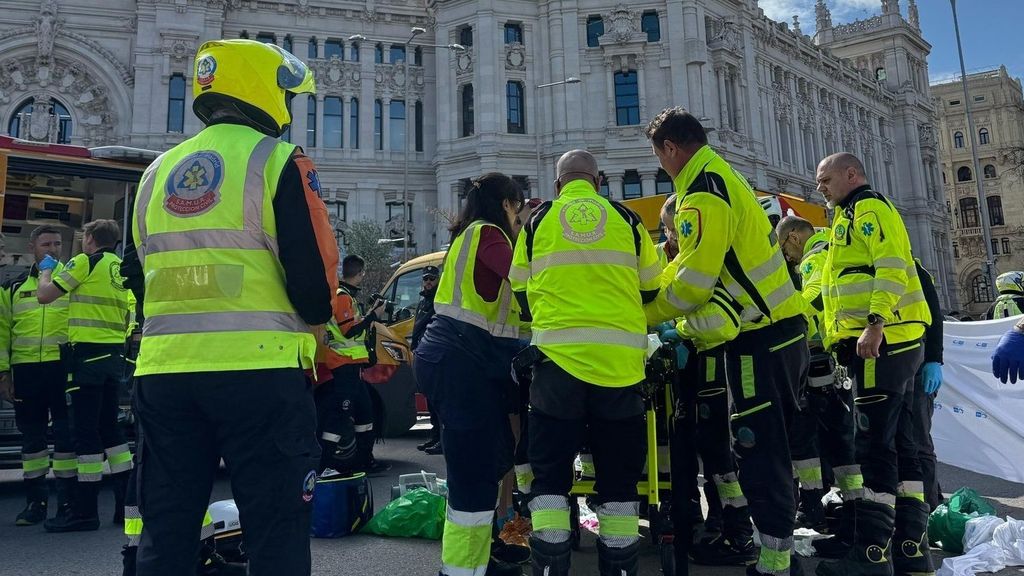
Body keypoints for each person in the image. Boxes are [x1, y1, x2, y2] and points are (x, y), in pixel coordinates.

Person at [126, 39, 338, 576]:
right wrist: (318, 325)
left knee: (167, 527)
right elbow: (314, 282)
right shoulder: (277, 160)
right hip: (259, 372)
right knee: (275, 526)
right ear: (263, 90)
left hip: (164, 373)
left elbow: (137, 270)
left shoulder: (156, 171)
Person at [643, 108, 809, 576]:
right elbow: (695, 270)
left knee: (759, 452)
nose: (661, 166)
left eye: (659, 157)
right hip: (775, 334)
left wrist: (646, 316)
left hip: (761, 340)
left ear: (671, 148)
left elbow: (694, 283)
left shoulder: (701, 192)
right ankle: (776, 558)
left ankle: (775, 566)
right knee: (764, 450)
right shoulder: (721, 176)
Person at [509, 150, 661, 576]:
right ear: (599, 182)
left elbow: (518, 287)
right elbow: (652, 286)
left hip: (557, 369)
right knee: (619, 482)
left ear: (559, 185)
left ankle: (551, 567)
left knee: (550, 480)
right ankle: (620, 568)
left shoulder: (538, 221)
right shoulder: (627, 219)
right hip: (621, 370)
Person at [814, 152, 933, 576]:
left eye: (826, 180)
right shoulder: (848, 216)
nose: (820, 189)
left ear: (852, 174)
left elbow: (891, 267)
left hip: (881, 344)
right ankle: (910, 548)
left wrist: (874, 324)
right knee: (902, 445)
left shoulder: (867, 209)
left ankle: (871, 554)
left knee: (873, 449)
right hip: (895, 342)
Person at [414, 172, 525, 576]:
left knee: (485, 461)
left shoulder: (467, 235)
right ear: (507, 204)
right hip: (462, 361)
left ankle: (476, 560)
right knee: (474, 475)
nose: (518, 220)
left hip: (452, 358)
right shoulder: (490, 235)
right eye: (517, 211)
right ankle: (463, 570)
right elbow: (525, 279)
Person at [657, 194, 754, 566]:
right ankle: (706, 521)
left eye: (675, 228)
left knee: (718, 450)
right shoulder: (682, 258)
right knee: (692, 445)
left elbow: (719, 318)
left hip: (714, 359)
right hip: (694, 363)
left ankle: (735, 531)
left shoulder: (709, 257)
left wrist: (679, 332)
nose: (672, 236)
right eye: (668, 229)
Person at [34, 219, 134, 532]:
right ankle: (126, 506)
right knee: (111, 431)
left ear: (89, 238)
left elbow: (45, 296)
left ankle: (85, 512)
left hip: (87, 357)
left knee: (85, 432)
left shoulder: (84, 262)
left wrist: (46, 271)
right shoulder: (119, 267)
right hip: (113, 357)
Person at [776, 216, 857, 548]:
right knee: (841, 438)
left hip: (819, 358)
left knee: (807, 434)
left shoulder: (813, 259)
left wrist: (778, 314)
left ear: (794, 238)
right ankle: (853, 509)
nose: (788, 257)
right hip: (837, 357)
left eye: (785, 249)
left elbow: (812, 299)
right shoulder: (832, 248)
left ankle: (813, 508)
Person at [0, 226, 74, 526]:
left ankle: (67, 504)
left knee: (66, 438)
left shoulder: (73, 282)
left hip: (62, 369)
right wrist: (3, 373)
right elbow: (2, 333)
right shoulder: (13, 287)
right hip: (27, 371)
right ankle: (35, 503)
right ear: (32, 247)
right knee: (32, 440)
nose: (53, 249)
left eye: (57, 244)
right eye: (46, 244)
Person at [322, 255, 388, 473]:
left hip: (353, 367)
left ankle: (366, 461)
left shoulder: (347, 296)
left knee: (365, 414)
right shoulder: (342, 297)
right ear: (360, 273)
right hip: (344, 366)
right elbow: (348, 331)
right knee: (339, 418)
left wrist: (369, 314)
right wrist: (372, 316)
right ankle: (324, 466)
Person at [913, 260, 944, 512]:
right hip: (893, 366)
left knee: (919, 439)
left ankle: (930, 508)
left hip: (918, 364)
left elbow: (934, 316)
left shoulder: (915, 270)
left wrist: (933, 359)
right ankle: (921, 503)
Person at [411, 264, 442, 454]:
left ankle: (441, 440)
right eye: (426, 279)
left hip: (434, 355)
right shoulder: (424, 301)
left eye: (432, 278)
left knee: (438, 401)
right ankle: (435, 437)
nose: (429, 282)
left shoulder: (438, 300)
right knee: (430, 400)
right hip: (423, 352)